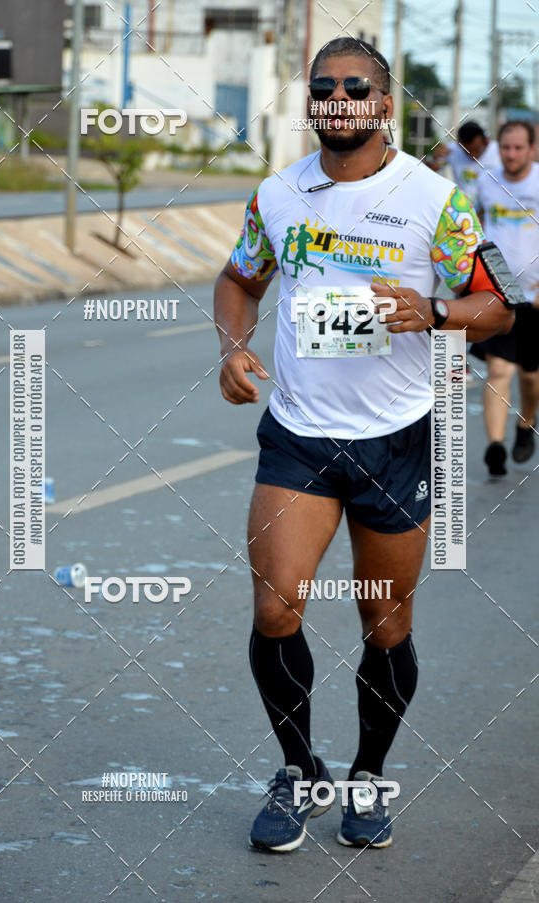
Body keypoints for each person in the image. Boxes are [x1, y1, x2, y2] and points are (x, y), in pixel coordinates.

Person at [213, 37, 513, 853]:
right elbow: (241, 279)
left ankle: (369, 775)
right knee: (276, 606)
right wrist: (232, 347)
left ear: (383, 103)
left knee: (385, 622)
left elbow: (498, 307)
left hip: (396, 442)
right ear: (311, 102)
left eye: (356, 87)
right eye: (324, 88)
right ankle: (299, 768)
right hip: (300, 438)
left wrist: (437, 313)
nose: (338, 98)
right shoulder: (279, 193)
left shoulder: (436, 200)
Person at [469, 120, 539, 475]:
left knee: (530, 376)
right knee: (499, 369)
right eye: (506, 148)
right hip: (498, 294)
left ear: (532, 149)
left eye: (519, 148)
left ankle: (526, 424)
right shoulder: (488, 181)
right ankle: (495, 448)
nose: (511, 155)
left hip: (536, 299)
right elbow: (477, 224)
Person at [429, 121, 501, 208]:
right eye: (467, 151)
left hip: (492, 207)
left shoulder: (499, 150)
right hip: (464, 208)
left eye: (476, 150)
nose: (472, 156)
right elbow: (430, 170)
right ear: (459, 144)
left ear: (485, 142)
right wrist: (434, 158)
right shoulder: (452, 150)